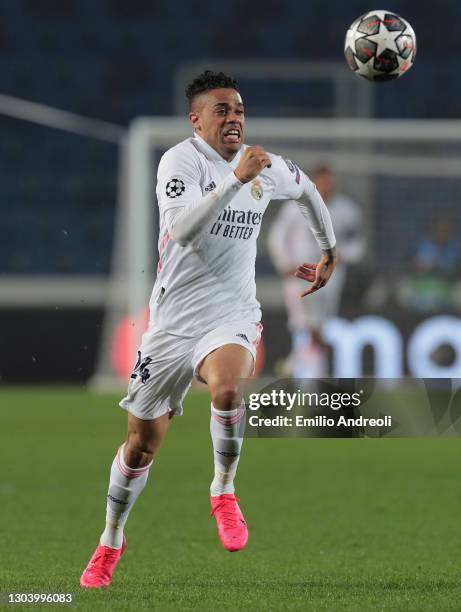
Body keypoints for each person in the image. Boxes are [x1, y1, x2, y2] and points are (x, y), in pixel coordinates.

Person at [80, 70, 336, 588]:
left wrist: (329, 248)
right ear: (196, 120)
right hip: (172, 323)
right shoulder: (180, 162)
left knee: (226, 384)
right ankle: (110, 541)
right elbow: (184, 231)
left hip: (232, 314)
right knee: (140, 446)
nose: (234, 118)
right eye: (221, 110)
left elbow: (307, 189)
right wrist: (235, 180)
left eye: (239, 109)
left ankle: (223, 490)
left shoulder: (262, 166)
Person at [268, 166, 364, 377]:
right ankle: (310, 374)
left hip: (330, 276)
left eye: (329, 182)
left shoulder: (346, 210)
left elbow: (357, 245)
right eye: (321, 181)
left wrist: (341, 255)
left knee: (321, 326)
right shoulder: (295, 207)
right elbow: (277, 237)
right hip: (300, 273)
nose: (325, 186)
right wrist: (284, 262)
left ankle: (296, 367)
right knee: (303, 324)